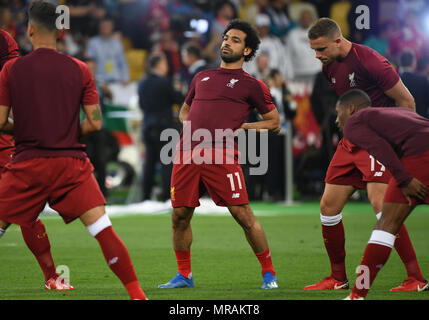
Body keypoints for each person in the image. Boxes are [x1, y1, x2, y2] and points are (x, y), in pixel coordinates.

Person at [0, 0, 146, 300]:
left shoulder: (11, 69)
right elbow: (94, 123)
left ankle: (51, 275)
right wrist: (62, 131)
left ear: (29, 30)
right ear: (61, 31)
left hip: (28, 163)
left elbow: (1, 121)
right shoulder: (80, 69)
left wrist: (32, 130)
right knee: (103, 230)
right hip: (72, 164)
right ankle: (137, 295)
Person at [304, 17, 426, 292]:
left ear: (338, 40)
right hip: (350, 142)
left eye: (321, 49)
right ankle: (338, 278)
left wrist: (401, 143)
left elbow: (406, 101)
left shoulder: (371, 61)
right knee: (328, 207)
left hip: (377, 140)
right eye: (314, 49)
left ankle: (416, 278)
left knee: (383, 207)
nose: (317, 55)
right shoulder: (329, 67)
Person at [158, 19, 281, 290]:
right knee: (179, 215)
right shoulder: (201, 77)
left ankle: (269, 273)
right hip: (187, 154)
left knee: (242, 214)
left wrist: (244, 127)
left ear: (247, 51)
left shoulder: (252, 85)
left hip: (222, 155)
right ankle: (184, 275)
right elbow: (184, 112)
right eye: (226, 38)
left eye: (235, 40)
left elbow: (274, 123)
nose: (227, 42)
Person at [333, 89, 429, 299]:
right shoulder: (395, 113)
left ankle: (357, 295)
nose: (337, 120)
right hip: (420, 148)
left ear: (350, 109)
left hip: (419, 156)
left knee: (386, 224)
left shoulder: (354, 122)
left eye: (338, 113)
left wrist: (403, 179)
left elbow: (379, 147)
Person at [0, 27, 73, 291]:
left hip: (3, 141)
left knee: (25, 209)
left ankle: (52, 276)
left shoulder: (3, 40)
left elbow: (13, 79)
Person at [138, 52, 183, 202]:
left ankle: (145, 197)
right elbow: (177, 98)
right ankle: (166, 197)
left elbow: (141, 105)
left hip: (148, 126)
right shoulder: (164, 82)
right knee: (167, 163)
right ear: (159, 65)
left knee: (149, 164)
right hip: (164, 126)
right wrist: (178, 90)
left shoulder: (142, 83)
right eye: (165, 64)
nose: (167, 67)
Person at [86, 17, 130, 85]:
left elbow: (123, 63)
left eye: (108, 26)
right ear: (99, 27)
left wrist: (125, 78)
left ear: (112, 27)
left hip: (116, 80)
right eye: (103, 26)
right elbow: (89, 64)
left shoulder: (117, 44)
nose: (105, 28)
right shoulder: (93, 43)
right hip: (99, 81)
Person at [399, 50, 429, 118]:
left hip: (400, 120)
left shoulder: (395, 79)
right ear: (413, 62)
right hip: (420, 119)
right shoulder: (422, 80)